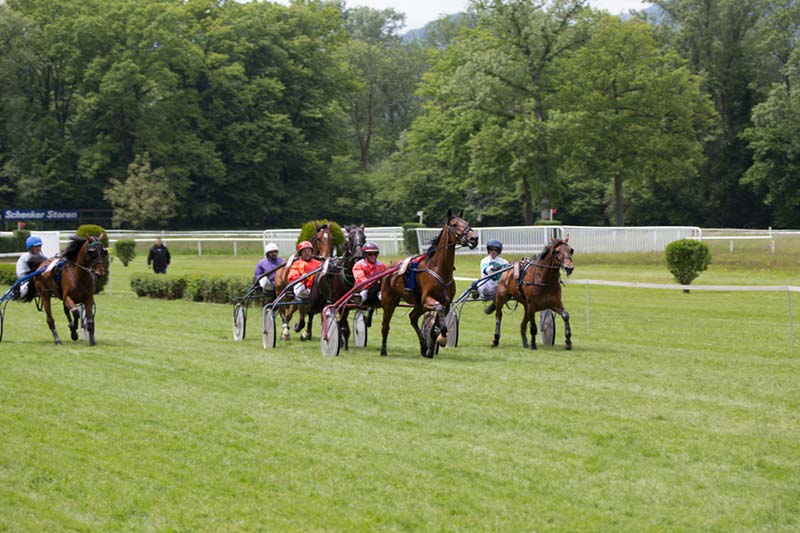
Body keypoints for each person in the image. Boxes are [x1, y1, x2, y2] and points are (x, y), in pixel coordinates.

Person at [477, 239, 508, 314]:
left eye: (495, 249)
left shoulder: (503, 261)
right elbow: (484, 270)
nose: (493, 251)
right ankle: (475, 291)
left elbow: (509, 270)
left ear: (499, 251)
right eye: (491, 249)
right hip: (486, 288)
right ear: (488, 250)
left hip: (498, 288)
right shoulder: (484, 260)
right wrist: (492, 268)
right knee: (480, 284)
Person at [14, 236, 46, 300]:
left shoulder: (40, 256)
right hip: (24, 278)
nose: (38, 248)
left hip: (33, 277)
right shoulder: (26, 256)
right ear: (30, 247)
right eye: (36, 246)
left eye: (39, 246)